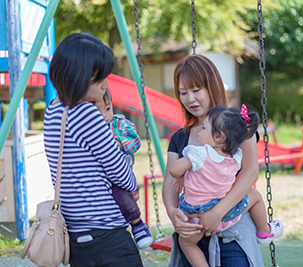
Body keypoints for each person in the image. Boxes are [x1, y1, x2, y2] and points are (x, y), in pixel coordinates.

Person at [43, 32, 143, 267]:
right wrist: (132, 186)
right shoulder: (86, 113)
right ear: (78, 76)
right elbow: (117, 167)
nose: (105, 86)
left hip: (76, 236)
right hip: (107, 234)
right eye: (99, 79)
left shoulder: (52, 112)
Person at [162, 54, 266, 267]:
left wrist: (218, 212)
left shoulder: (237, 128)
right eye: (183, 92)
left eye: (196, 90)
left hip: (233, 231)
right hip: (194, 233)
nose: (190, 98)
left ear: (212, 86)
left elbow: (250, 172)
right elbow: (169, 182)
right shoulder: (180, 138)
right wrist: (173, 214)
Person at [170, 105, 284, 267]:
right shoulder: (235, 157)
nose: (200, 133)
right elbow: (247, 174)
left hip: (194, 217)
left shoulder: (199, 153)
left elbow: (174, 171)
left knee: (187, 244)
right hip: (226, 216)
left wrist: (183, 170)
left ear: (218, 136)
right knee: (255, 196)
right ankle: (264, 231)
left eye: (204, 129)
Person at [93, 88, 153, 249]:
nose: (105, 115)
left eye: (107, 108)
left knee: (123, 195)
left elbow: (135, 141)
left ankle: (137, 224)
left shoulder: (119, 123)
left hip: (121, 173)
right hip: (99, 176)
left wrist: (119, 143)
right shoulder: (90, 129)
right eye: (97, 111)